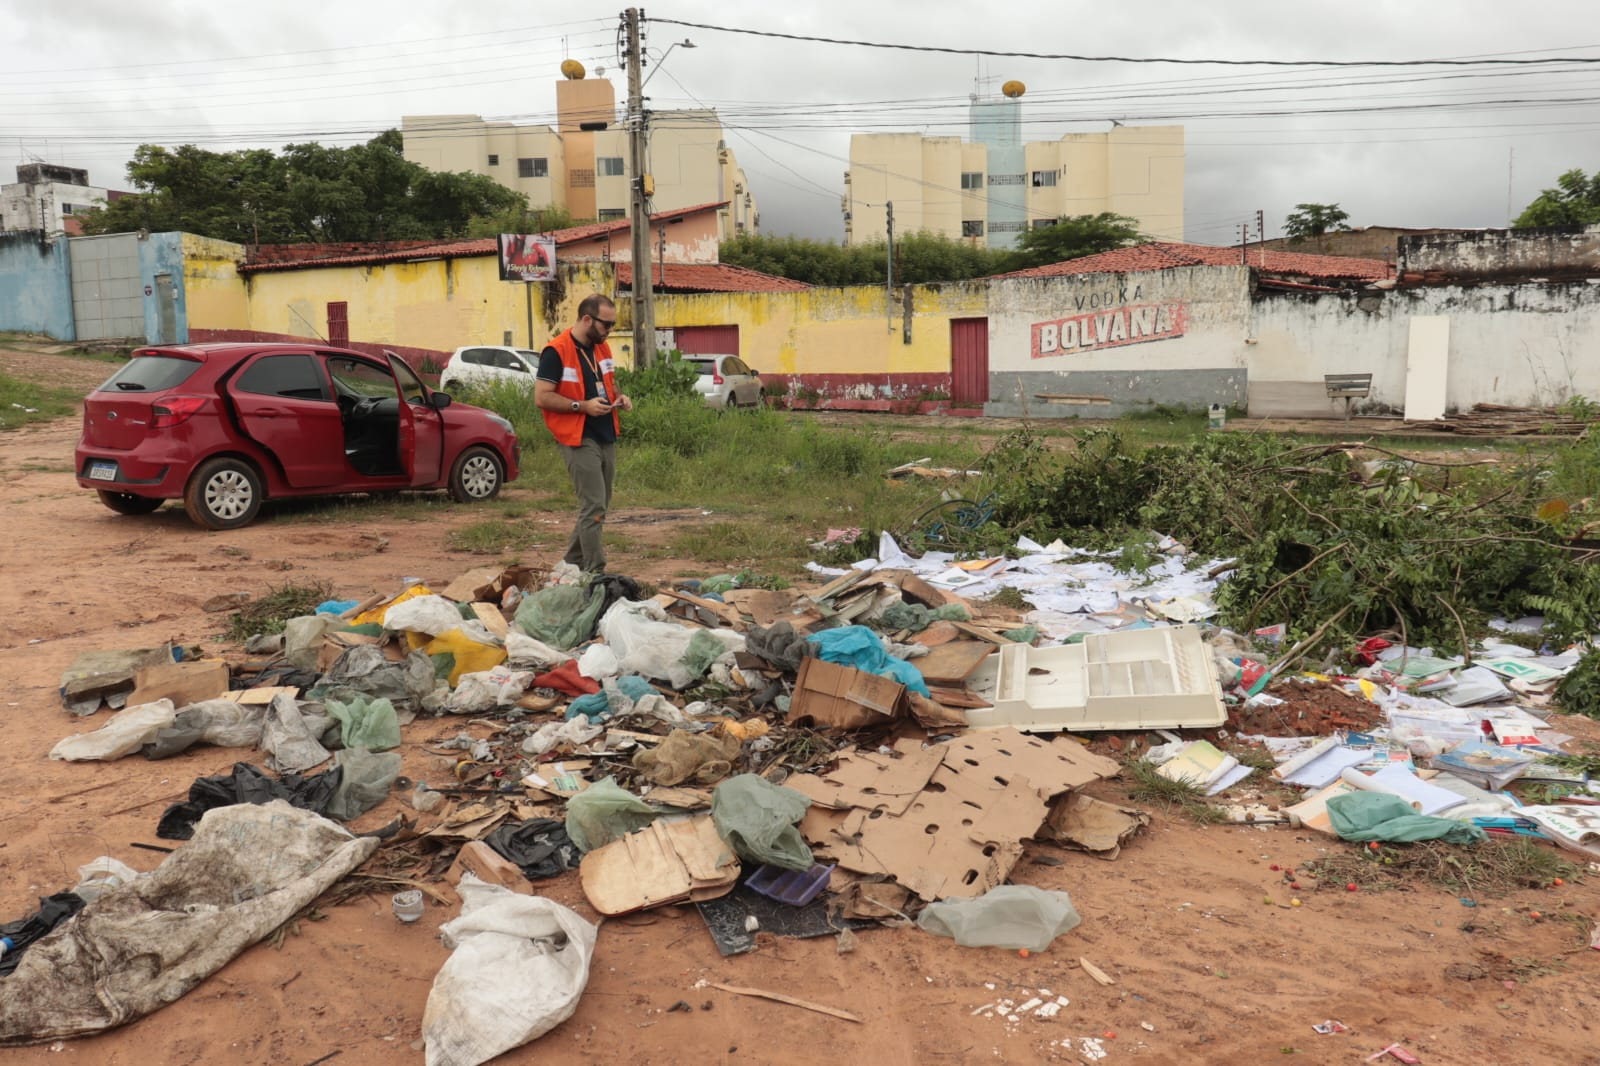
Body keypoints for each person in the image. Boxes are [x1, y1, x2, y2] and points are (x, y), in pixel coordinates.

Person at [535, 294, 633, 574]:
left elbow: (608, 386)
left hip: (605, 433)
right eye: (606, 325)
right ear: (587, 319)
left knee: (600, 506)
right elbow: (542, 397)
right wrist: (582, 406)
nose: (610, 331)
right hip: (577, 437)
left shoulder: (601, 349)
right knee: (593, 506)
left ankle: (569, 566)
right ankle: (595, 572)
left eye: (613, 325)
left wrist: (620, 398)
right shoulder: (556, 351)